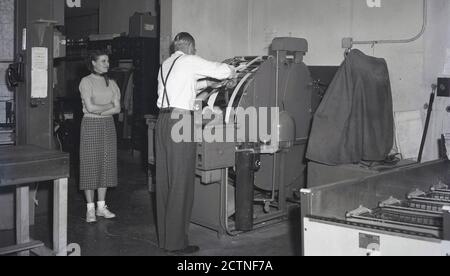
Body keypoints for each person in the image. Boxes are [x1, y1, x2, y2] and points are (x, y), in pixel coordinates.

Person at [156, 32, 236, 255]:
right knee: (181, 182)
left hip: (163, 121)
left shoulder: (167, 64)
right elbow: (222, 69)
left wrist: (209, 84)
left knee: (166, 182)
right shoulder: (190, 60)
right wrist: (232, 72)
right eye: (195, 49)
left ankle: (166, 239)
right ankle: (176, 244)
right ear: (191, 46)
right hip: (180, 122)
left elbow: (189, 86)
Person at [79, 50, 121, 223]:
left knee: (105, 164)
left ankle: (101, 207)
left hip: (108, 126)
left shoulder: (112, 83)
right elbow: (89, 108)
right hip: (90, 125)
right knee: (90, 165)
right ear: (93, 63)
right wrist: (107, 107)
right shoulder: (86, 81)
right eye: (103, 61)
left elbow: (118, 109)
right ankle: (90, 209)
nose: (107, 64)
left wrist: (99, 109)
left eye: (108, 61)